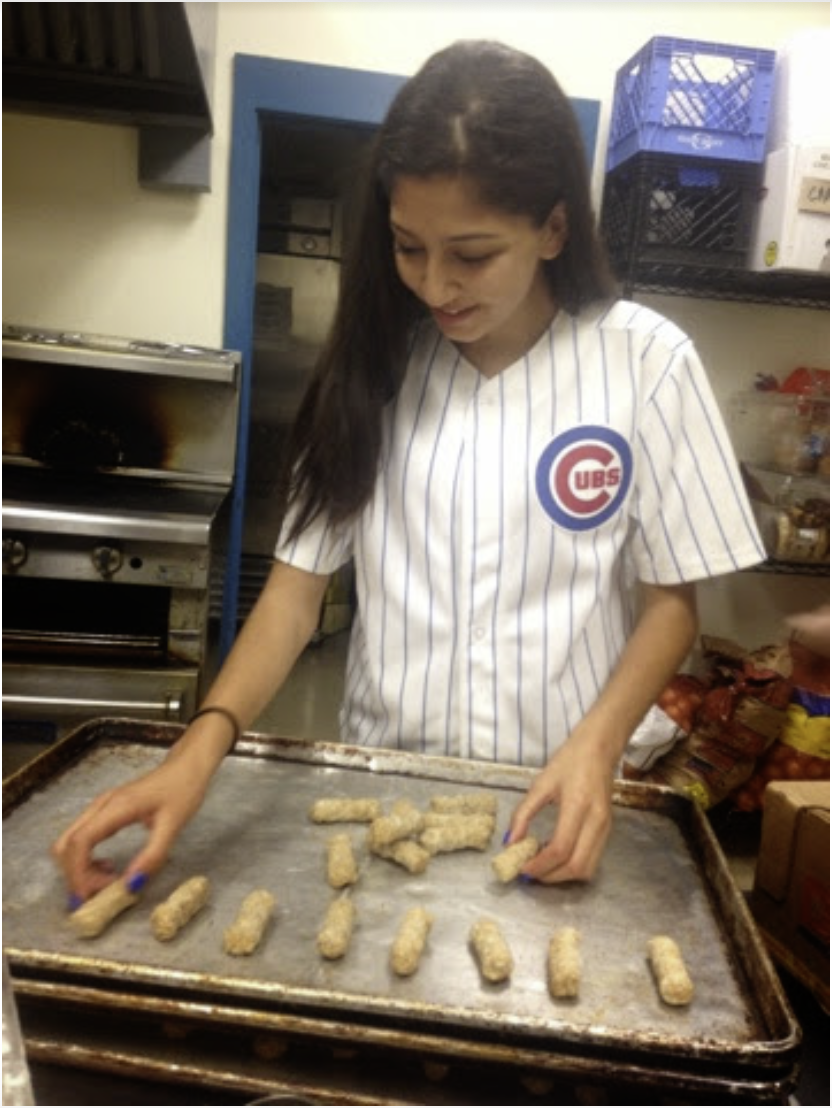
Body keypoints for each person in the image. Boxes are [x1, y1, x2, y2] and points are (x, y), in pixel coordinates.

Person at [52, 40, 766, 903]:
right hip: (383, 796)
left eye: (472, 254)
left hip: (559, 798)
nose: (435, 286)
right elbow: (294, 596)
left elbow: (670, 605)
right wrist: (199, 748)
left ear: (552, 228)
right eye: (407, 246)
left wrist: (597, 745)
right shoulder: (375, 365)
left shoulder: (647, 363)